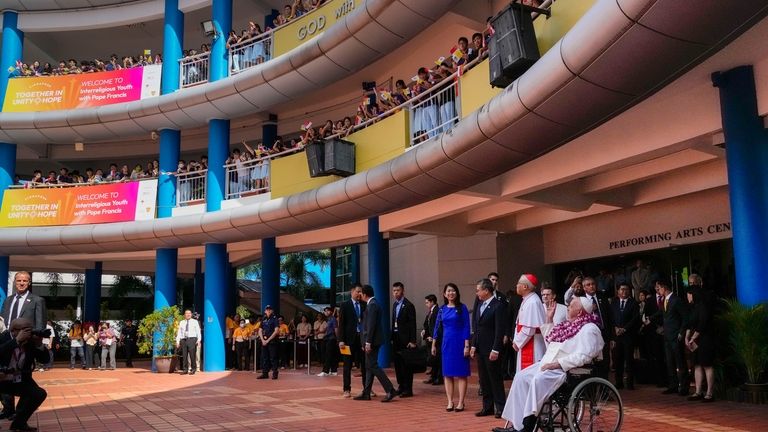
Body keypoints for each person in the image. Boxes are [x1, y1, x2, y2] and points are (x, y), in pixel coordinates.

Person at [493, 297, 604, 432]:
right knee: (521, 377)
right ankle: (516, 425)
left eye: (571, 306)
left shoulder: (590, 328)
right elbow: (551, 343)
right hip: (549, 363)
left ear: (580, 312)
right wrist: (549, 319)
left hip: (568, 369)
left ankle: (528, 426)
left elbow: (584, 356)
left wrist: (558, 364)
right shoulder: (569, 324)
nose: (567, 307)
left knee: (537, 380)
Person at [0, 318, 49, 432]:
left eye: (30, 329)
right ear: (13, 331)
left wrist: (39, 344)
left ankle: (19, 423)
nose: (29, 333)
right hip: (1, 378)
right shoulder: (3, 338)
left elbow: (45, 360)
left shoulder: (30, 342)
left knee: (39, 394)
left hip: (20, 380)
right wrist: (16, 341)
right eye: (26, 330)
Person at [471, 278, 507, 418]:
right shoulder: (480, 304)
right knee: (484, 379)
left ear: (486, 290)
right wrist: (474, 344)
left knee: (495, 378)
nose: (477, 292)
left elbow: (499, 329)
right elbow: (477, 328)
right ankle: (487, 407)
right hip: (481, 347)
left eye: (478, 290)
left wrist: (496, 349)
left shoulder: (498, 305)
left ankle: (501, 407)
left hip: (492, 348)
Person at [353, 285, 396, 402]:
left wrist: (368, 342)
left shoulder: (372, 305)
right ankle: (366, 392)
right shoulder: (372, 304)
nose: (359, 295)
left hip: (372, 341)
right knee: (369, 366)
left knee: (373, 366)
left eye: (361, 293)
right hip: (371, 340)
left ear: (365, 294)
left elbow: (371, 326)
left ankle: (390, 389)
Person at [432, 283, 470, 412]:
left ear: (457, 293)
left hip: (459, 342)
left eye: (453, 291)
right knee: (447, 373)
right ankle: (449, 401)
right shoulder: (442, 309)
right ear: (444, 294)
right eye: (448, 291)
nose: (451, 293)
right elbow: (437, 327)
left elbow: (466, 326)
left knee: (461, 373)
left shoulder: (462, 308)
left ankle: (461, 402)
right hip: (446, 343)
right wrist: (433, 344)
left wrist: (466, 345)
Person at [653, 278, 689, 396]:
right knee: (669, 362)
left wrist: (681, 332)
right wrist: (650, 319)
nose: (658, 290)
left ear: (665, 287)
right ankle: (673, 385)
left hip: (676, 336)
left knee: (680, 361)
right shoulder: (664, 300)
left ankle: (684, 386)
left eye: (659, 287)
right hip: (667, 336)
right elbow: (662, 314)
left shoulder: (676, 300)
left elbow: (685, 317)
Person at [685, 276, 715, 402]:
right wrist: (687, 337)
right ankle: (698, 391)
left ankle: (709, 393)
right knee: (696, 364)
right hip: (694, 339)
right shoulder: (692, 307)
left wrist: (693, 336)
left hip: (705, 338)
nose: (687, 297)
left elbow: (703, 323)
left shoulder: (703, 305)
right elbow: (690, 323)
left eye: (689, 294)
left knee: (707, 364)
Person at [610, 282, 640, 389]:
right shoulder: (613, 303)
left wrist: (624, 328)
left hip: (628, 336)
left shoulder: (633, 303)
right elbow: (611, 318)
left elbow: (636, 319)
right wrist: (615, 328)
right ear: (618, 291)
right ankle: (619, 382)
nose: (624, 291)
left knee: (629, 360)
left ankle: (630, 383)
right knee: (617, 360)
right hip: (617, 336)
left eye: (626, 289)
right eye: (622, 289)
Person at [513, 274, 545, 373]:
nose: (516, 286)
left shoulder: (532, 302)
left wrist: (517, 342)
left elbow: (529, 328)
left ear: (525, 286)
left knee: (530, 374)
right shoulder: (527, 300)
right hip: (526, 342)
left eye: (518, 283)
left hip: (532, 344)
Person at [338, 284, 366, 398]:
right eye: (357, 291)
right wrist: (341, 340)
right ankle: (346, 389)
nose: (359, 294)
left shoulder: (364, 305)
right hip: (348, 340)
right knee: (347, 365)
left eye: (361, 292)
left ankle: (367, 388)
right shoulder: (345, 305)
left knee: (365, 365)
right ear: (352, 291)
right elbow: (341, 324)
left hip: (362, 339)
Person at [391, 282, 417, 398]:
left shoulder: (408, 305)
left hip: (406, 340)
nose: (396, 293)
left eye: (398, 290)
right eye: (394, 291)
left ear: (403, 291)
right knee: (397, 364)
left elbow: (412, 324)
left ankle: (408, 388)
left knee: (406, 364)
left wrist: (412, 340)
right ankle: (401, 386)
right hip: (396, 339)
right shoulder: (394, 305)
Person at [422, 294, 442, 385]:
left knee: (437, 359)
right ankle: (433, 376)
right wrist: (425, 332)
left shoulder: (437, 311)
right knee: (433, 359)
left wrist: (434, 337)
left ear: (432, 302)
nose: (426, 304)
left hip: (436, 340)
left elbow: (437, 326)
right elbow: (427, 324)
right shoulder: (430, 312)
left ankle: (438, 377)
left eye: (427, 302)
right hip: (430, 339)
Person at [175, 309, 201, 375]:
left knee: (192, 355)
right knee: (184, 355)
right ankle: (185, 369)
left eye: (189, 313)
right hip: (183, 339)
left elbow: (198, 331)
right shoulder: (181, 322)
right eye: (186, 313)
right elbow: (179, 333)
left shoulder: (195, 321)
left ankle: (193, 369)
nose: (188, 314)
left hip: (192, 339)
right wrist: (177, 341)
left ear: (191, 314)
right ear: (184, 315)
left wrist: (199, 340)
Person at [257, 305, 280, 380]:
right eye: (267, 309)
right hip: (264, 341)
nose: (268, 311)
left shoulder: (274, 319)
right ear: (265, 311)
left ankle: (275, 373)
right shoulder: (263, 319)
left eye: (270, 309)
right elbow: (260, 330)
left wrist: (268, 340)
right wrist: (263, 340)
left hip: (272, 341)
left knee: (273, 358)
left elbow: (276, 331)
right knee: (265, 358)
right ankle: (265, 373)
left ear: (272, 311)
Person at [318, 307, 339, 376]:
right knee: (331, 354)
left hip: (332, 338)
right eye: (325, 311)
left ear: (331, 312)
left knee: (328, 355)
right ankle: (333, 370)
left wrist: (338, 339)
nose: (326, 312)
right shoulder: (328, 320)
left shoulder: (333, 319)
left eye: (327, 311)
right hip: (327, 338)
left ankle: (325, 371)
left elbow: (336, 329)